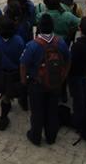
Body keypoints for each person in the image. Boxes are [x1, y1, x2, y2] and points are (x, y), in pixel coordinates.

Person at [19, 14, 69, 146]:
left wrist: (24, 81)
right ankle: (51, 136)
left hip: (37, 83)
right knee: (52, 110)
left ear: (39, 28)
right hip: (55, 82)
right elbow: (68, 60)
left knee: (37, 111)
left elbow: (23, 64)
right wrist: (63, 77)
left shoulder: (32, 45)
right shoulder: (61, 42)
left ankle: (35, 136)